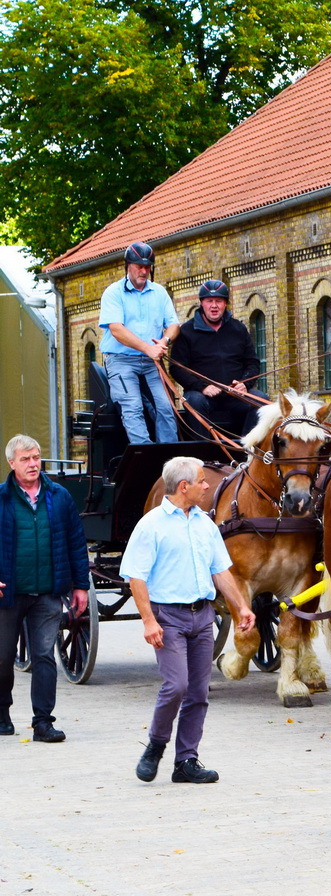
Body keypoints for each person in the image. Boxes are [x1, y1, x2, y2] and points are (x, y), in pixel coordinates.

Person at [121, 456, 254, 783]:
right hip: (169, 617)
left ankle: (187, 761)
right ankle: (155, 744)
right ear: (184, 487)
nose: (208, 485)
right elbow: (135, 577)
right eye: (201, 481)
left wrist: (242, 608)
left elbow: (221, 571)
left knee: (198, 692)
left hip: (202, 616)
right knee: (176, 685)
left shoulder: (204, 523)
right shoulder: (151, 525)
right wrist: (149, 621)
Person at [0, 435, 90, 742]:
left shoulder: (59, 496)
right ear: (11, 463)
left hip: (49, 592)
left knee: (44, 656)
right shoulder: (1, 498)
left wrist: (80, 586)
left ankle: (43, 722)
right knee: (2, 657)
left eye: (36, 457)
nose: (33, 464)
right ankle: (2, 713)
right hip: (7, 595)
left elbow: (76, 543)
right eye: (25, 459)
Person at [97, 241, 181, 445]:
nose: (143, 271)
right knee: (132, 406)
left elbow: (174, 325)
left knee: (166, 407)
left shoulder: (159, 292)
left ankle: (170, 459)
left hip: (152, 362)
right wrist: (148, 348)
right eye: (139, 266)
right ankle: (145, 455)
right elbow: (116, 329)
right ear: (128, 266)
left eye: (147, 267)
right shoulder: (113, 292)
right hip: (121, 360)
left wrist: (165, 340)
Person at [169, 279, 269, 437]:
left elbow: (252, 363)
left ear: (225, 304)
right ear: (202, 303)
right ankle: (205, 452)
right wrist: (202, 387)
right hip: (202, 395)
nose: (214, 306)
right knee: (194, 401)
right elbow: (176, 368)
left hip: (235, 395)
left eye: (219, 301)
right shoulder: (187, 331)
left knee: (262, 400)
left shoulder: (239, 329)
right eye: (209, 301)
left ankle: (246, 451)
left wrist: (244, 383)